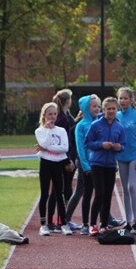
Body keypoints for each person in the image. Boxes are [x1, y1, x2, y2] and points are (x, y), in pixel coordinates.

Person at [85, 96, 125, 236]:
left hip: (111, 164)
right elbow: (88, 143)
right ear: (103, 109)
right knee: (100, 193)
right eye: (108, 109)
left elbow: (123, 145)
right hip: (97, 163)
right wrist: (101, 145)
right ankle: (92, 225)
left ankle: (104, 224)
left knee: (108, 194)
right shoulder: (95, 125)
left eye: (114, 108)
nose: (111, 111)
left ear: (117, 109)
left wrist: (119, 147)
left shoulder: (119, 126)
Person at [34, 102, 70, 237]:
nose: (53, 117)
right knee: (44, 194)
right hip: (45, 163)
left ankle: (64, 224)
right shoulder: (39, 131)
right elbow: (44, 144)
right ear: (44, 115)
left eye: (55, 114)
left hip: (58, 164)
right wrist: (48, 131)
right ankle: (44, 225)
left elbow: (65, 148)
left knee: (59, 194)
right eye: (50, 114)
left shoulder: (61, 131)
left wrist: (47, 148)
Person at [70, 94, 100, 235]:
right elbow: (80, 148)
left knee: (100, 193)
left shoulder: (100, 121)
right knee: (85, 194)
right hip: (86, 166)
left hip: (99, 164)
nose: (97, 108)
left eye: (98, 106)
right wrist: (86, 166)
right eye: (94, 106)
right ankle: (84, 223)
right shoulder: (81, 126)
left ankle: (102, 221)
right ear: (86, 108)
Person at [116, 87, 136, 232]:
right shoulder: (116, 116)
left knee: (132, 187)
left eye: (125, 98)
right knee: (125, 190)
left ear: (132, 100)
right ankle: (128, 221)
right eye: (121, 98)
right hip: (121, 157)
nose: (123, 101)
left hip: (134, 156)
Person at [51, 89, 78, 231]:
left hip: (65, 155)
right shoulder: (63, 118)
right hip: (65, 157)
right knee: (63, 188)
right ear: (68, 101)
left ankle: (61, 219)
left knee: (62, 188)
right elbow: (65, 139)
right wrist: (68, 159)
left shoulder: (65, 116)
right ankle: (61, 220)